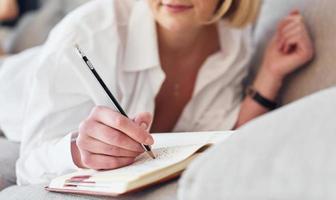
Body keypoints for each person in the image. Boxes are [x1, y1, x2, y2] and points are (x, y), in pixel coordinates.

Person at [0, 0, 314, 185]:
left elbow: (222, 131)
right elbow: (28, 165)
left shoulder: (234, 42)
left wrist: (271, 72)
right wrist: (79, 152)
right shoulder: (84, 36)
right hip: (13, 85)